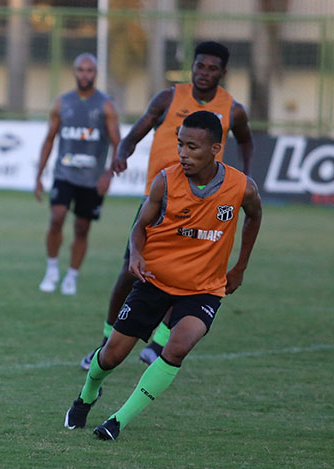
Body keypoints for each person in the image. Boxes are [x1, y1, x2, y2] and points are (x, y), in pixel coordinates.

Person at [64, 111, 262, 441]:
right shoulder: (166, 181)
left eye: (192, 147)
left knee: (179, 346)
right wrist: (137, 254)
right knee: (111, 356)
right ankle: (87, 395)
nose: (183, 153)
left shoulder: (242, 187)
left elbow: (255, 217)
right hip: (155, 282)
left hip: (204, 290)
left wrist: (240, 266)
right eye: (180, 145)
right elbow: (140, 228)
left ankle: (116, 421)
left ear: (216, 148)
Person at [80, 40, 253, 369]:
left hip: (204, 201)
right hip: (158, 197)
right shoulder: (169, 98)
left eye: (212, 68)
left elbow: (246, 139)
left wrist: (245, 174)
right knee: (130, 271)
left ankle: (159, 343)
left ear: (223, 73)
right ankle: (107, 339)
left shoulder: (233, 109)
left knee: (189, 274)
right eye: (199, 66)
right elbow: (137, 132)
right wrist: (121, 154)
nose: (204, 73)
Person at [34, 52, 120, 296]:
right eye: (81, 70)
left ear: (95, 74)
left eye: (89, 70)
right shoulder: (62, 103)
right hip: (64, 174)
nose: (85, 75)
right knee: (57, 217)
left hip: (91, 180)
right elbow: (49, 139)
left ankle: (71, 275)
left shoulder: (105, 105)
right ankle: (52, 270)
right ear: (74, 72)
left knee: (82, 227)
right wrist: (39, 175)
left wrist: (108, 175)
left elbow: (117, 142)